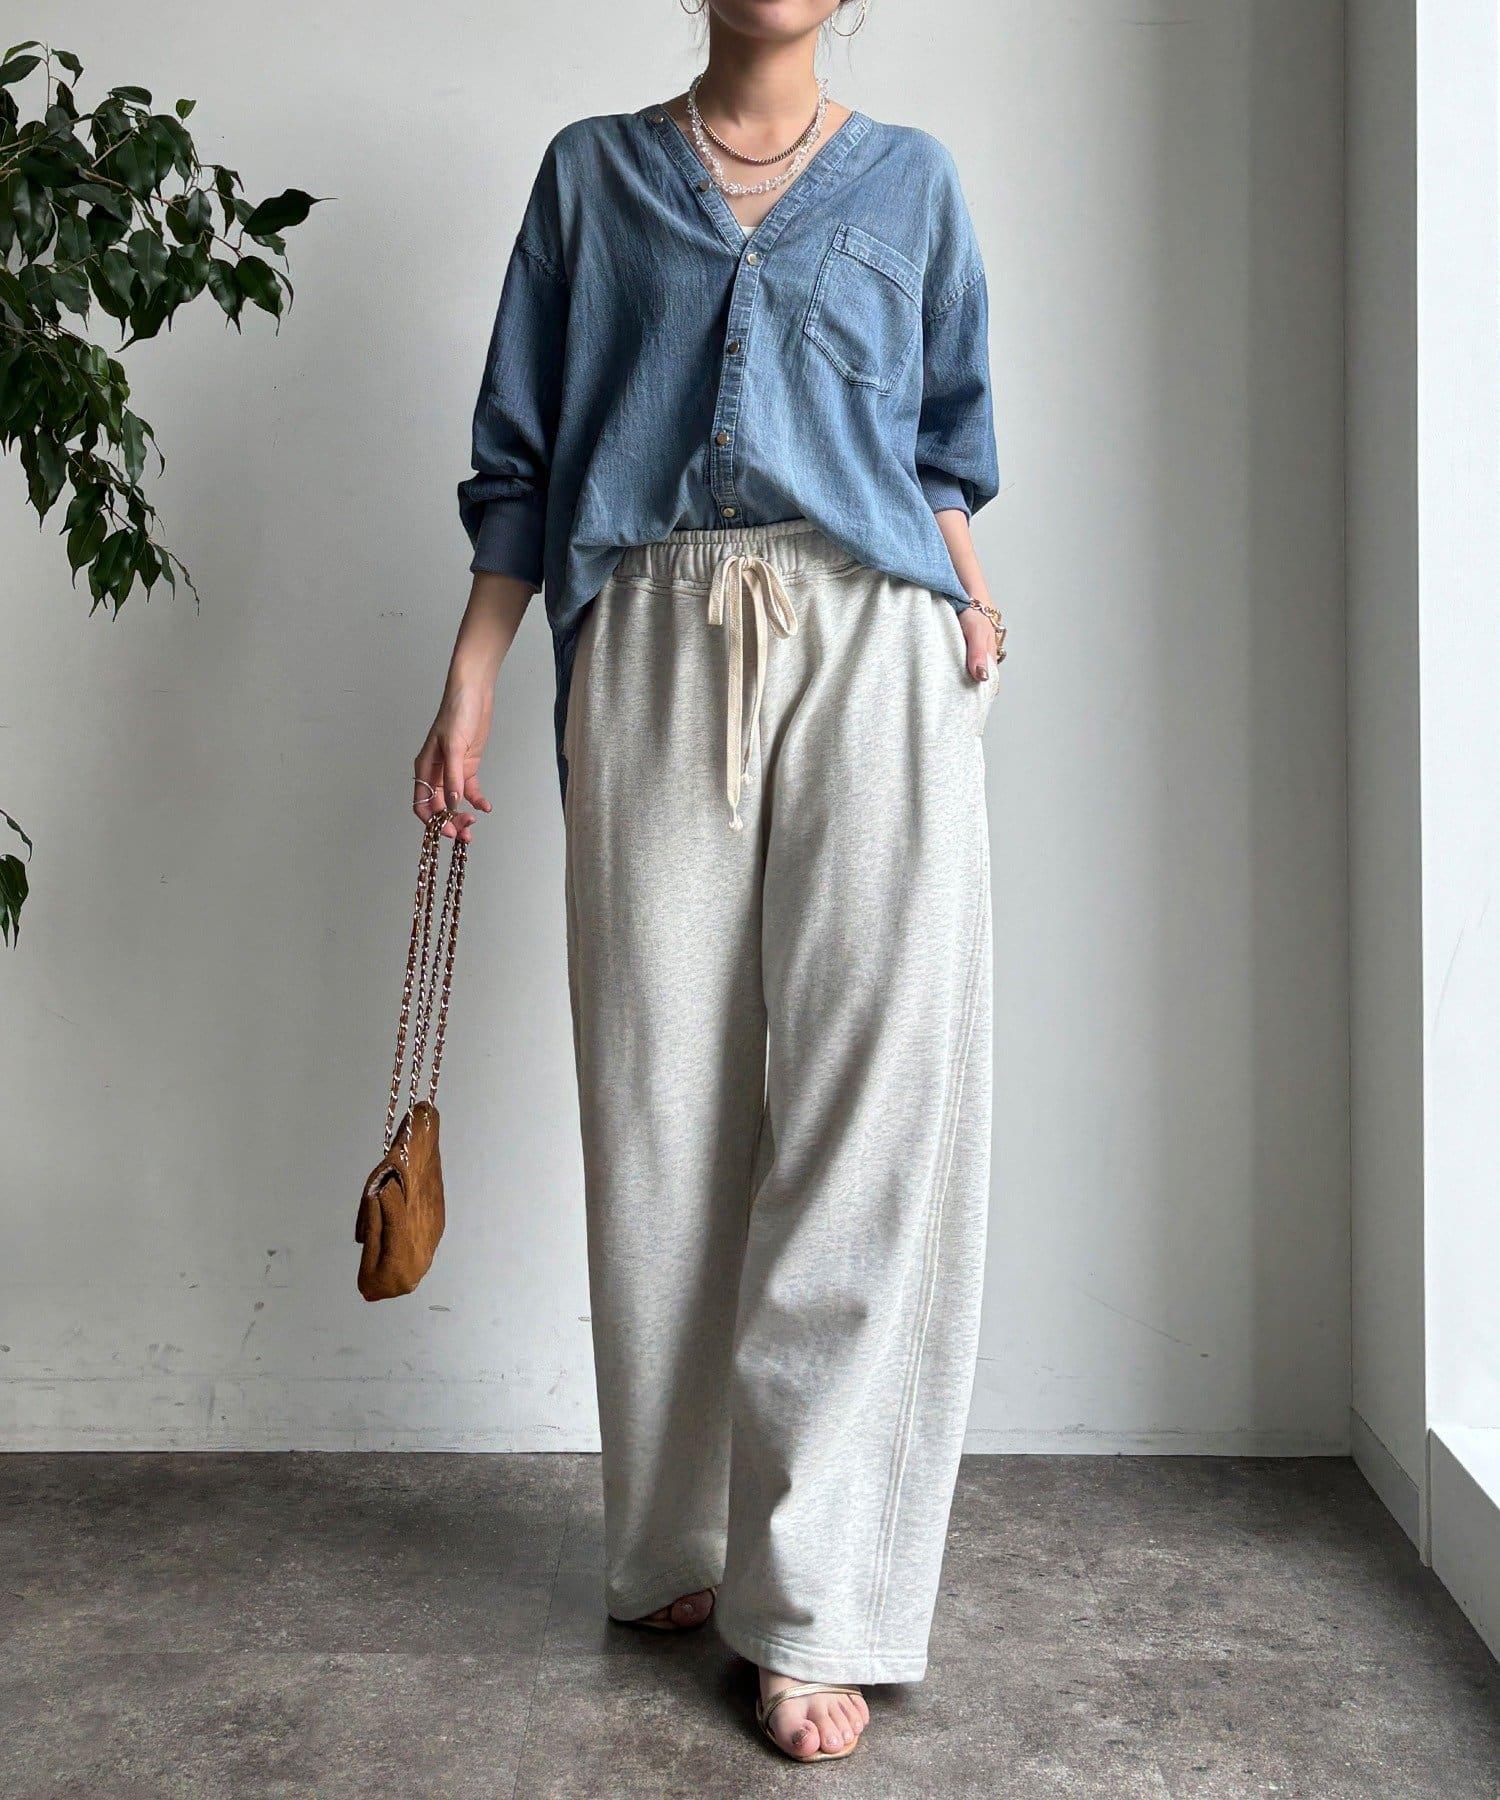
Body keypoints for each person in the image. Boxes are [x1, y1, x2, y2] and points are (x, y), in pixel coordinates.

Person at [415, 0, 1003, 1765]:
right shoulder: (591, 178)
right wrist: (471, 676)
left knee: (868, 1113)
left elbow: (942, 443)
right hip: (654, 631)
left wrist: (972, 595)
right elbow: (525, 457)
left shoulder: (915, 183)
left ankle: (817, 1600)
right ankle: (674, 1534)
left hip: (876, 638)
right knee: (659, 1101)